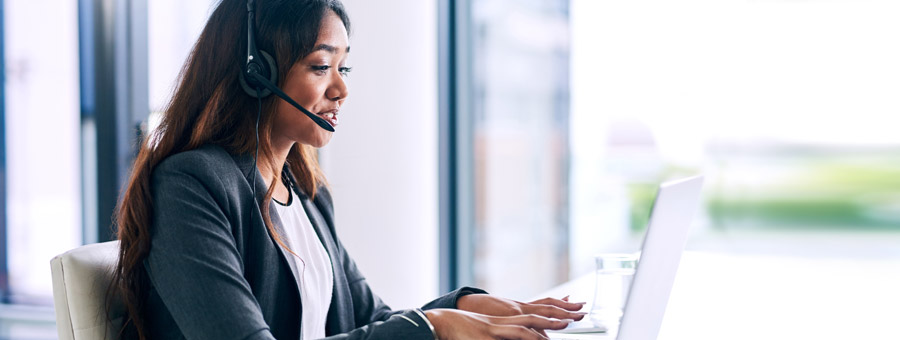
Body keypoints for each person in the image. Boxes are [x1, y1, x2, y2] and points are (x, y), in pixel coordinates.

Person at [111, 0, 586, 339]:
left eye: (345, 68)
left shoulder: (307, 194)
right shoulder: (190, 185)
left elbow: (367, 317)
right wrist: (434, 330)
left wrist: (461, 307)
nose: (341, 89)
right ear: (257, 74)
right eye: (321, 66)